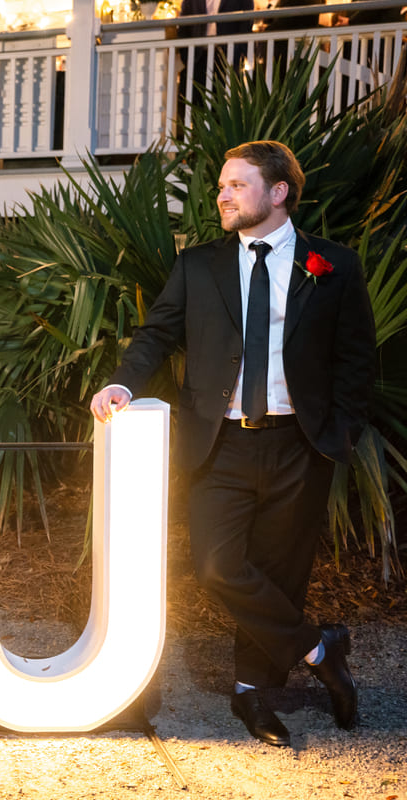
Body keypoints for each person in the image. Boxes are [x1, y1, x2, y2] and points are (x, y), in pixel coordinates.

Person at [89, 141, 374, 746]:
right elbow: (156, 333)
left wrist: (341, 433)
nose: (221, 195)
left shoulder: (333, 265)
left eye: (236, 185)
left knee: (279, 574)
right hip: (219, 445)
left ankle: (252, 695)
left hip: (301, 445)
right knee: (218, 566)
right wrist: (121, 382)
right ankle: (321, 651)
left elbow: (356, 359)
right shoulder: (200, 265)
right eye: (220, 185)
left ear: (278, 192)